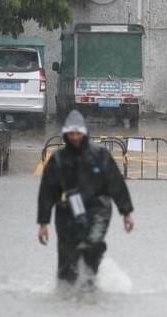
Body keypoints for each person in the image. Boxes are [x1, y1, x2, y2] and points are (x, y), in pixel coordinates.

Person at [37, 110, 135, 286]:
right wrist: (43, 223)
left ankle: (91, 286)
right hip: (67, 212)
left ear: (85, 133)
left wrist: (126, 213)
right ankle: (66, 295)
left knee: (92, 245)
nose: (75, 137)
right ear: (66, 134)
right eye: (71, 134)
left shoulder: (100, 156)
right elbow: (47, 192)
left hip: (97, 210)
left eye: (78, 133)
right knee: (67, 261)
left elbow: (116, 184)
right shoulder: (58, 160)